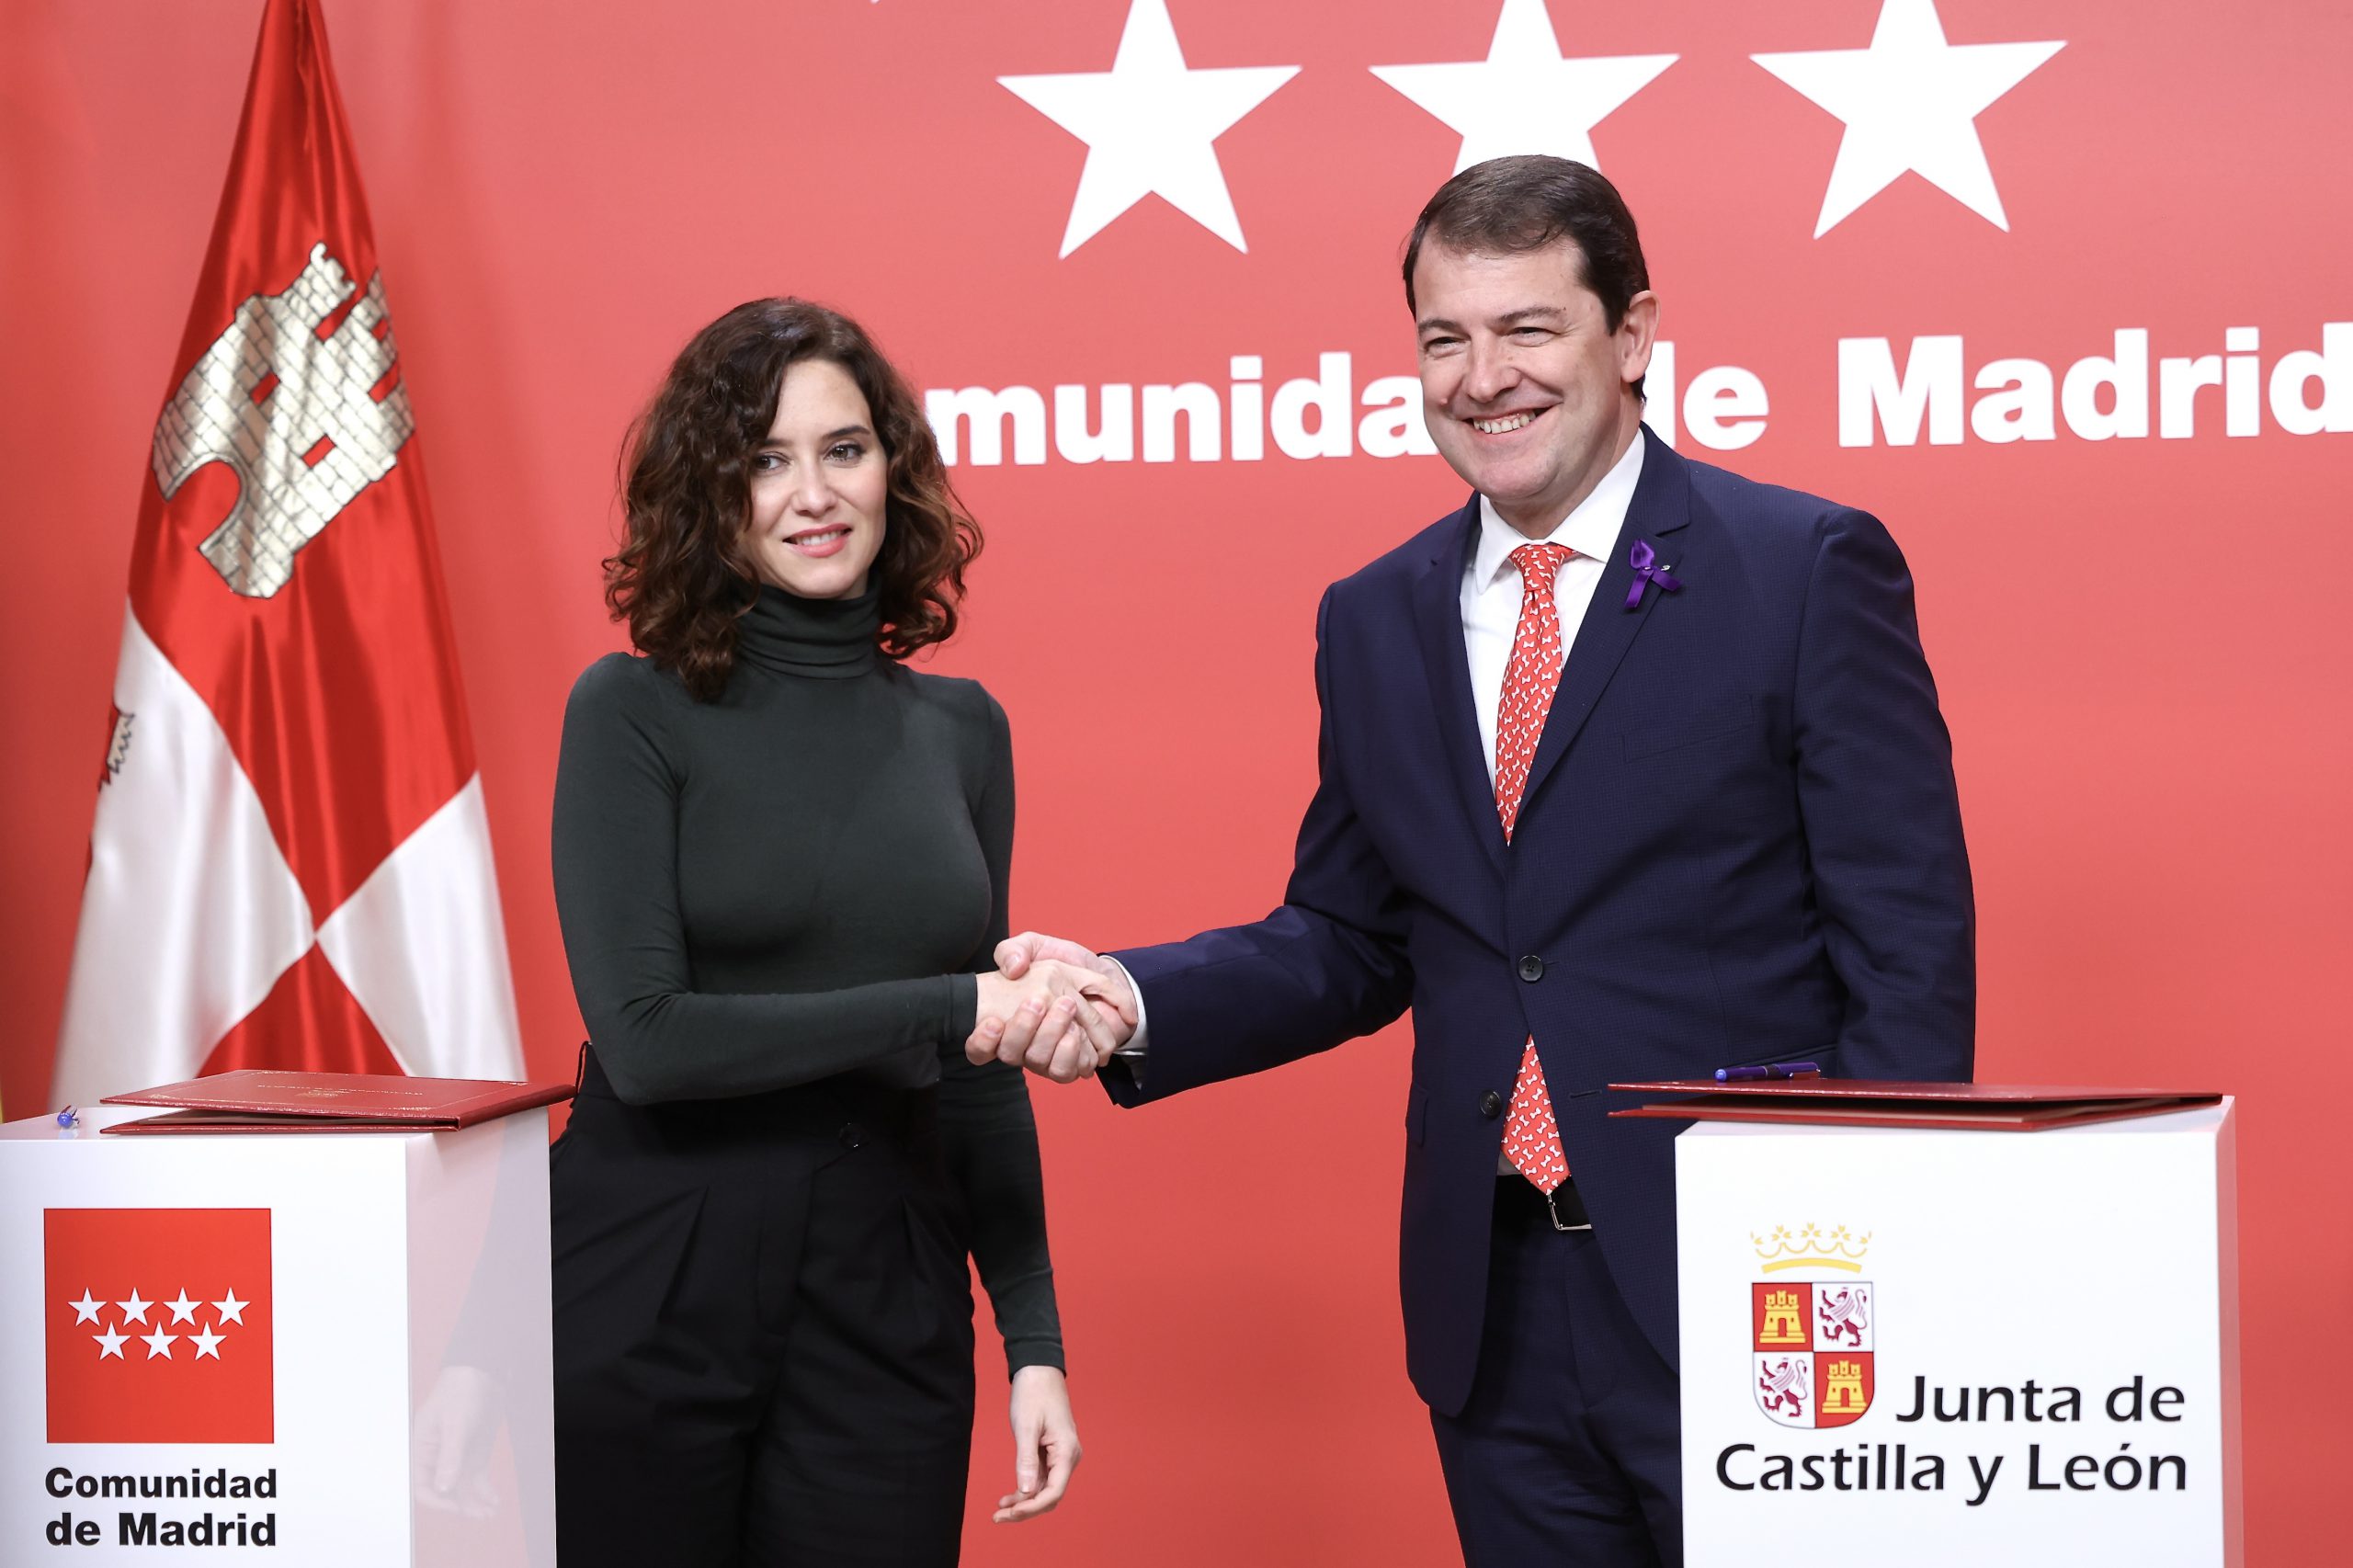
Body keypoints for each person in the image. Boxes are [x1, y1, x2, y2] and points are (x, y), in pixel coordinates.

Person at [973, 156, 1974, 1567]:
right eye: (1445, 337)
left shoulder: (1803, 565)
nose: (1482, 376)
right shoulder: (1372, 615)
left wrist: (1887, 1254)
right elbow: (1352, 933)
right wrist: (1131, 996)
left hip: (1767, 1282)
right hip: (1491, 1313)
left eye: (1527, 328)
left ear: (1630, 337)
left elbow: (1908, 948)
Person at [549, 298, 1120, 1566]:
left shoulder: (963, 727)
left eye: (844, 449)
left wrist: (1032, 1340)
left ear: (893, 468)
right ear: (711, 493)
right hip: (651, 1265)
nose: (814, 492)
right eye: (766, 459)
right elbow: (646, 1042)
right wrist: (944, 1006)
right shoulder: (630, 711)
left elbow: (979, 1076)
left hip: (884, 1280)